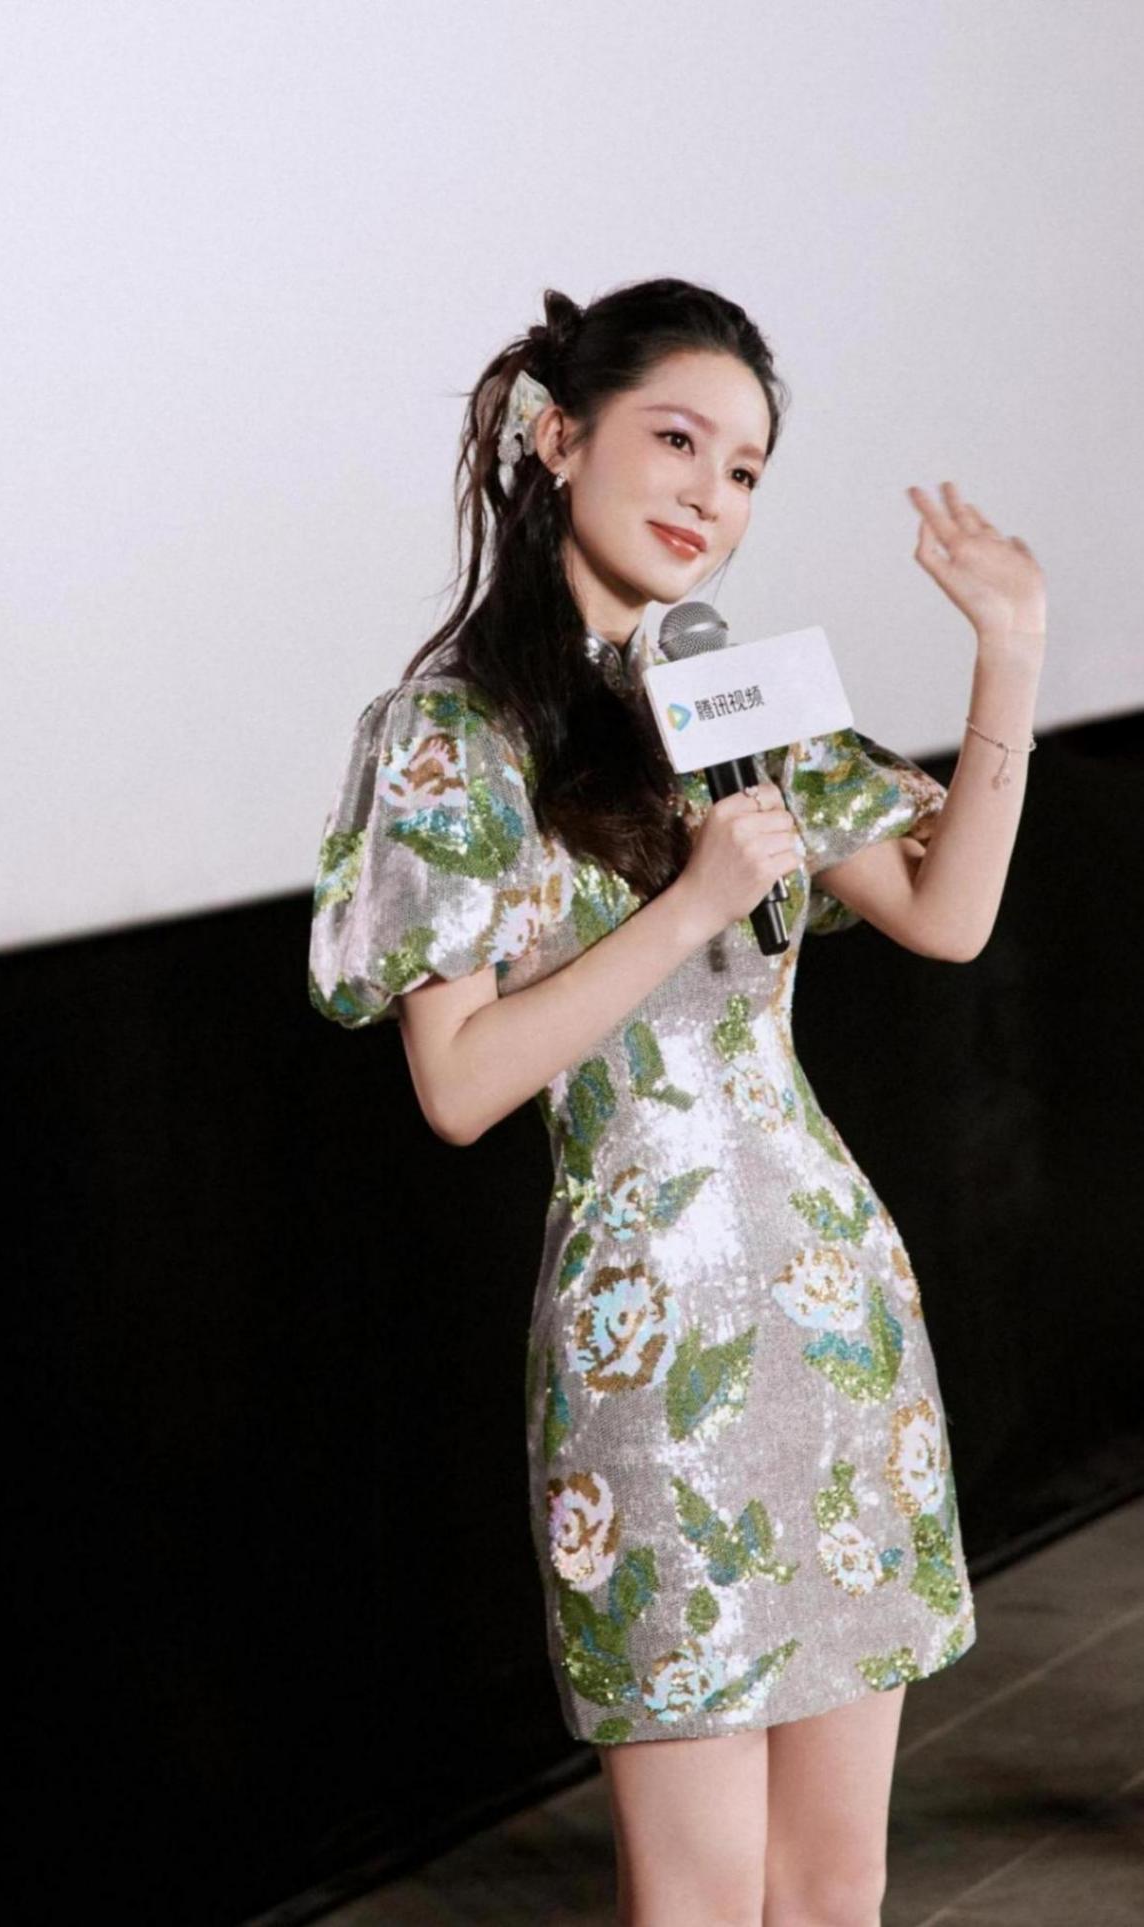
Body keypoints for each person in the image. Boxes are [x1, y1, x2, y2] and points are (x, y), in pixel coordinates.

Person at [306, 277, 1046, 1927]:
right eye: (678, 440)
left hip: (838, 1312)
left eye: (748, 467)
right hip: (648, 1348)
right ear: (559, 438)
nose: (713, 493)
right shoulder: (450, 735)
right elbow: (459, 1085)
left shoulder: (742, 697)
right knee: (701, 1900)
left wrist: (1008, 657)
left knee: (833, 1888)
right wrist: (693, 902)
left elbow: (947, 916)